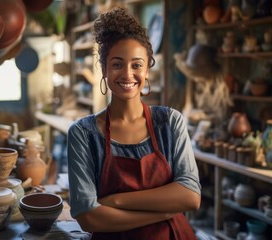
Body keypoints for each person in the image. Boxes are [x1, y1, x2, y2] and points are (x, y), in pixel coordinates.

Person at [67, 7, 201, 240]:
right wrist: (164, 211)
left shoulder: (170, 122)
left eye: (137, 65)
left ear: (148, 70)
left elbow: (190, 196)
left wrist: (117, 200)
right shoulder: (82, 133)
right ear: (104, 70)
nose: (128, 74)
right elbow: (88, 217)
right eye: (117, 64)